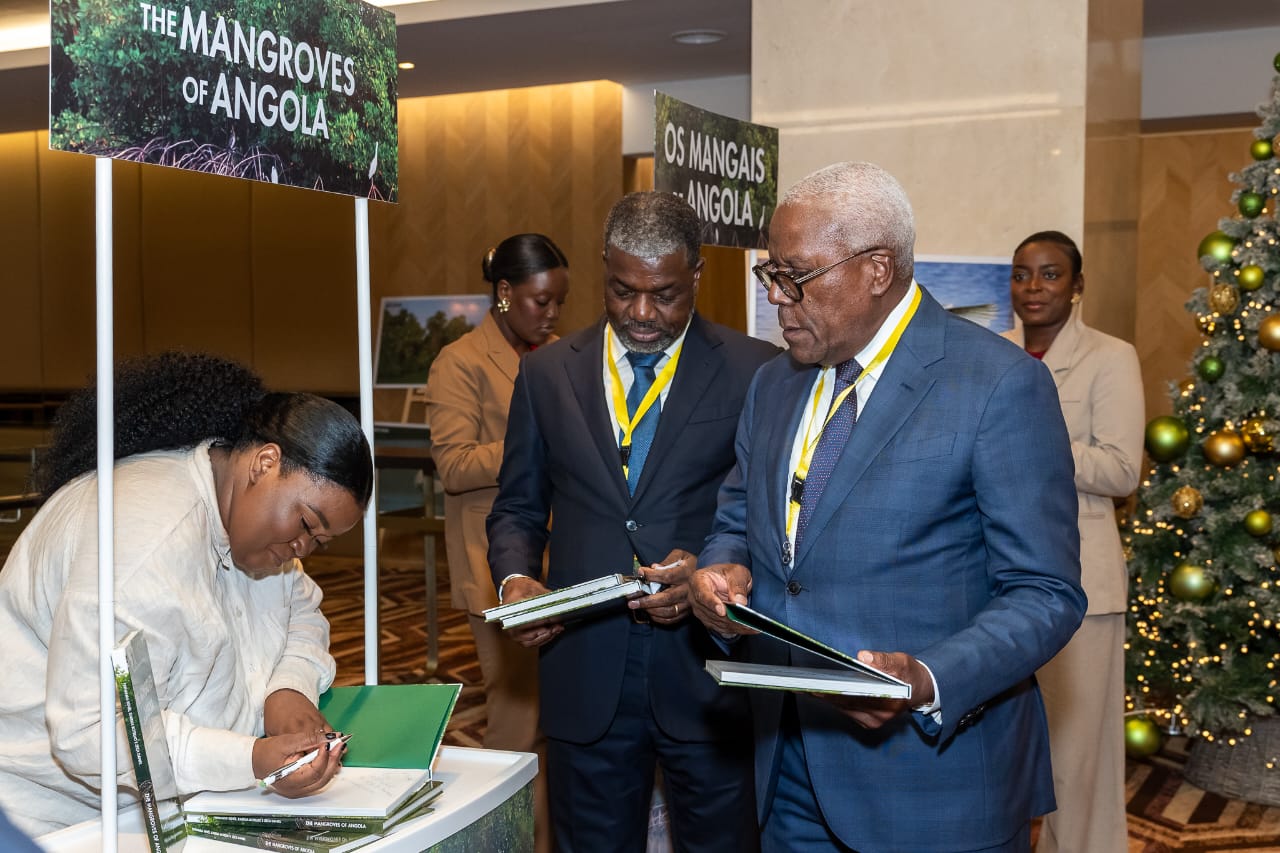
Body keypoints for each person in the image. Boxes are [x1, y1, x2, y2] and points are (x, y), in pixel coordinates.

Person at [689, 162, 1087, 853]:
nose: (777, 296)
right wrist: (723, 568)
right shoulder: (774, 384)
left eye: (796, 276)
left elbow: (1046, 592)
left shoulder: (998, 384)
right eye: (770, 274)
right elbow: (738, 517)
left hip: (933, 783)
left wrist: (927, 679)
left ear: (876, 269)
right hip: (786, 766)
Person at [486, 191, 778, 853]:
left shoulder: (754, 370)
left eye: (664, 294)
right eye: (623, 291)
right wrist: (515, 580)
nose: (642, 312)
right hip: (583, 670)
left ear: (697, 275)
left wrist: (710, 574)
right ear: (603, 269)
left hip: (707, 674)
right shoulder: (546, 373)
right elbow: (518, 507)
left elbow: (773, 521)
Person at [0, 351, 373, 837]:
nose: (303, 548)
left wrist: (287, 689)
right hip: (52, 821)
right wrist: (249, 759)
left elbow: (301, 612)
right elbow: (93, 731)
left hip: (168, 808)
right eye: (305, 523)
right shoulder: (146, 540)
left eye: (319, 541)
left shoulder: (250, 527)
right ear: (265, 463)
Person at [423, 233, 569, 853]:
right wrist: (537, 442)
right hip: (497, 573)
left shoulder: (557, 355)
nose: (552, 314)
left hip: (563, 563)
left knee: (561, 725)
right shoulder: (459, 362)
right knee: (517, 730)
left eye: (560, 302)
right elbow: (455, 466)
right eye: (541, 301)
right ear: (504, 293)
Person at [1003, 231, 1143, 853]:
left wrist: (1039, 435)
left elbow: (1121, 471)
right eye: (1022, 274)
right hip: (1000, 580)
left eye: (1051, 274)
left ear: (1077, 285)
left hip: (1083, 582)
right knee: (1008, 746)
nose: (1034, 287)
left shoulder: (1111, 356)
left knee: (1079, 759)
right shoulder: (992, 352)